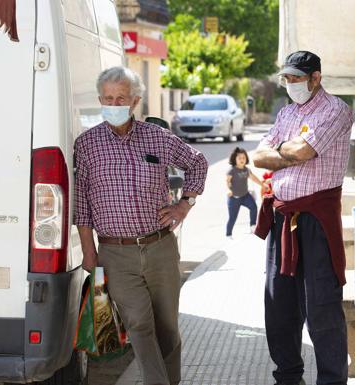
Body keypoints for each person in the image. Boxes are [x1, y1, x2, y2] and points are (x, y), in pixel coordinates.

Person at [74, 66, 208, 385]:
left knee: (167, 328)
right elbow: (82, 207)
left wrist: (183, 205)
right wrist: (89, 253)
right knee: (139, 324)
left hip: (160, 246)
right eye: (108, 98)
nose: (114, 103)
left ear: (135, 101)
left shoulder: (156, 137)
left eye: (121, 97)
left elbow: (198, 163)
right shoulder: (86, 144)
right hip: (115, 253)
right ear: (99, 100)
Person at [253, 51, 354, 385]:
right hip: (282, 216)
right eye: (287, 79)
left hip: (316, 219)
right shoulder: (285, 114)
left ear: (316, 77)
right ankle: (287, 377)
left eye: (297, 78)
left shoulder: (336, 110)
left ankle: (331, 379)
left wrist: (285, 152)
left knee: (322, 305)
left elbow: (304, 152)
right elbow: (258, 157)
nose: (291, 84)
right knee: (278, 303)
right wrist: (289, 150)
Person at [226, 147, 262, 238]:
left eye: (244, 158)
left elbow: (253, 178)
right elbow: (227, 181)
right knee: (232, 218)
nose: (242, 160)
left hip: (245, 195)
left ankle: (253, 226)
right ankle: (228, 234)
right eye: (239, 158)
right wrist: (229, 190)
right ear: (235, 159)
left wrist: (262, 185)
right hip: (234, 198)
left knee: (254, 207)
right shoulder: (232, 170)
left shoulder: (246, 170)